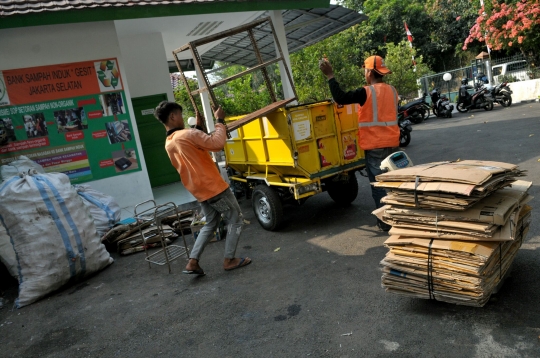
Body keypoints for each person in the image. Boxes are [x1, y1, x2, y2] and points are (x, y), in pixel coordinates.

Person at [154, 101, 252, 275]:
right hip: (214, 189)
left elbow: (195, 147)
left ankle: (192, 262)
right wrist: (220, 121)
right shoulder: (187, 134)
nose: (183, 119)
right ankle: (229, 259)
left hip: (200, 191)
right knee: (235, 219)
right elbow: (217, 143)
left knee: (211, 222)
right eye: (180, 115)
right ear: (172, 116)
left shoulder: (169, 142)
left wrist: (198, 127)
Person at [319, 55, 400, 232]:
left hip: (375, 146)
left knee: (379, 185)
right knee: (394, 181)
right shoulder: (393, 90)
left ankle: (385, 222)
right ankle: (399, 215)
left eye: (365, 70)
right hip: (393, 143)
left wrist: (330, 76)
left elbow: (340, 97)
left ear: (369, 72)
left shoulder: (366, 92)